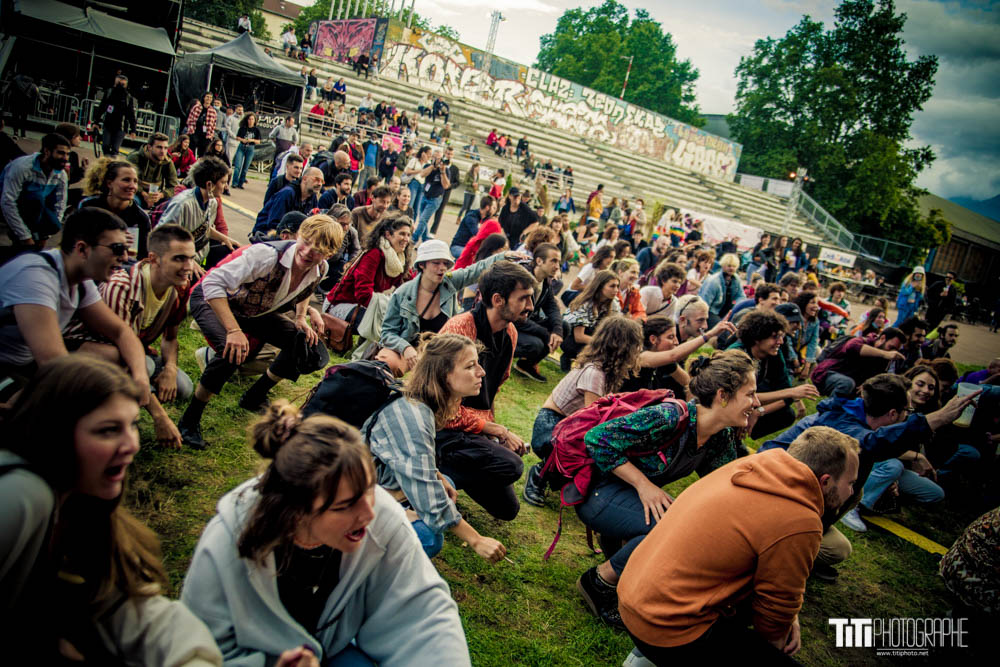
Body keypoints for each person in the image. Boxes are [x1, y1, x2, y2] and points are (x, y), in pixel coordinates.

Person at [181, 399, 471, 666]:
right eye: (344, 506)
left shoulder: (381, 516)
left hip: (335, 650)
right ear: (296, 509)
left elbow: (427, 613)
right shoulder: (228, 540)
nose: (369, 514)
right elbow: (198, 648)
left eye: (369, 491)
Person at [0, 356, 223, 665]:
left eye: (132, 425)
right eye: (107, 430)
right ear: (55, 432)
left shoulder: (84, 509)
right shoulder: (23, 495)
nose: (131, 444)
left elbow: (129, 605)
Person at [618, 426, 859, 663]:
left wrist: (790, 615)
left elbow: (779, 592)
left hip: (633, 597)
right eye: (850, 483)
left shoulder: (749, 467)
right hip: (667, 629)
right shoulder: (801, 520)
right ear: (825, 481)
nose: (851, 492)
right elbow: (776, 611)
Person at [574, 350, 757, 629]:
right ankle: (598, 582)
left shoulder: (719, 436)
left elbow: (727, 485)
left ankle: (624, 557)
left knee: (688, 525)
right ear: (722, 395)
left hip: (627, 499)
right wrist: (644, 485)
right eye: (750, 394)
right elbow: (597, 440)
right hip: (596, 493)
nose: (756, 403)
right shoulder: (670, 416)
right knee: (669, 529)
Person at [761, 374, 977, 577]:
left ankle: (795, 550)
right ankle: (779, 553)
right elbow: (873, 444)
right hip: (772, 499)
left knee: (840, 546)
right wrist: (936, 419)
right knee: (840, 530)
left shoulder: (851, 413)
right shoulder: (843, 428)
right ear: (893, 414)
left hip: (788, 498)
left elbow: (877, 446)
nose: (907, 416)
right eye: (907, 412)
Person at [176, 215, 343, 449]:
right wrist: (233, 330)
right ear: (298, 236)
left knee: (304, 345)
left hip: (253, 310)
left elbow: (306, 289)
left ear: (329, 254)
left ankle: (253, 397)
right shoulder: (266, 255)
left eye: (318, 250)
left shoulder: (320, 267)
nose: (307, 252)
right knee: (232, 349)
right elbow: (211, 284)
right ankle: (190, 420)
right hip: (212, 299)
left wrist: (300, 318)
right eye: (305, 241)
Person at [365, 333, 509, 561]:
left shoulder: (422, 405)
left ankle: (399, 517)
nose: (481, 372)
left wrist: (436, 475)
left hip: (382, 485)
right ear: (444, 375)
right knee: (428, 537)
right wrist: (476, 539)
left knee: (446, 485)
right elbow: (428, 496)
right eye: (470, 366)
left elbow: (417, 463)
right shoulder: (413, 415)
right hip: (359, 495)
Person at [65, 224, 196, 449]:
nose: (189, 267)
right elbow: (121, 355)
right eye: (179, 259)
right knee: (138, 368)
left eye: (191, 258)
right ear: (154, 259)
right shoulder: (121, 287)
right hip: (88, 353)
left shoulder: (178, 288)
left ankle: (136, 391)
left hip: (133, 353)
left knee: (183, 387)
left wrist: (170, 369)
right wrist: (160, 416)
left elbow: (171, 338)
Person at [0, 207, 150, 402]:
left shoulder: (80, 280)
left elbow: (122, 332)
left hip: (28, 360)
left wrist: (141, 378)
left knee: (115, 357)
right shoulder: (36, 277)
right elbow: (53, 362)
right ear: (82, 249)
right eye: (117, 249)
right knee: (36, 408)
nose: (124, 258)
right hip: (6, 364)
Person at [435, 261, 536, 520]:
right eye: (524, 298)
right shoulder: (460, 329)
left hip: (470, 431)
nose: (531, 306)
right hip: (441, 429)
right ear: (498, 299)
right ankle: (433, 479)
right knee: (512, 466)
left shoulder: (510, 332)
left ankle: (451, 475)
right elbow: (436, 404)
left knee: (508, 510)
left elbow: (491, 393)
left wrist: (493, 438)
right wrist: (496, 431)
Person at [522, 315, 643, 506]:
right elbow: (592, 420)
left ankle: (561, 477)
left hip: (566, 425)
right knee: (590, 450)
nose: (638, 351)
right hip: (550, 427)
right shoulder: (595, 373)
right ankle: (539, 475)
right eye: (635, 345)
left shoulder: (606, 371)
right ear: (621, 346)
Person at [380, 240, 521, 371]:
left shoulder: (450, 282)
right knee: (388, 361)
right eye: (436, 263)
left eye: (445, 263)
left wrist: (505, 256)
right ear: (422, 265)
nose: (442, 268)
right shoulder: (402, 294)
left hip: (440, 352)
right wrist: (405, 348)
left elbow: (476, 270)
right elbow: (387, 333)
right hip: (410, 351)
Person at [727, 310, 819, 439]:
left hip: (747, 400)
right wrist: (791, 392)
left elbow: (785, 391)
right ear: (757, 337)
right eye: (775, 337)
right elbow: (736, 396)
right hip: (725, 404)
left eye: (781, 336)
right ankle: (730, 435)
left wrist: (758, 412)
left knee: (786, 414)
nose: (780, 341)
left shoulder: (772, 353)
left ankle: (741, 436)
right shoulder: (736, 354)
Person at [324, 212, 413, 327]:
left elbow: (408, 284)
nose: (406, 239)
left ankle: (372, 344)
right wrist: (390, 307)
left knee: (401, 322)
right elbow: (363, 294)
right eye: (402, 234)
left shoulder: (399, 259)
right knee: (387, 324)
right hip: (340, 304)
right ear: (388, 235)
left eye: (408, 235)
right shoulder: (374, 254)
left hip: (362, 306)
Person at [159, 157, 238, 277]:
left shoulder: (212, 202)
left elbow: (203, 228)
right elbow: (163, 237)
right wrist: (188, 261)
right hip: (178, 262)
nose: (226, 187)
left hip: (197, 257)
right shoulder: (182, 204)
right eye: (223, 182)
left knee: (232, 251)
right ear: (209, 185)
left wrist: (224, 238)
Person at [0, 132, 69, 249]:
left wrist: (45, 235)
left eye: (68, 154)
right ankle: (19, 239)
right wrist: (25, 237)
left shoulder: (60, 174)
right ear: (47, 151)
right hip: (11, 206)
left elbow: (60, 203)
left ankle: (34, 238)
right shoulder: (22, 167)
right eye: (61, 153)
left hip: (37, 209)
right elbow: (8, 202)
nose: (65, 158)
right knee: (36, 199)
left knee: (55, 225)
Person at [79, 158, 151, 260]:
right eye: (126, 180)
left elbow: (142, 257)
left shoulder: (140, 217)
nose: (132, 186)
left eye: (135, 181)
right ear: (109, 183)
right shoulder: (89, 207)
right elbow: (75, 241)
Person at [513, 242, 563, 382]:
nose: (557, 266)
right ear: (539, 261)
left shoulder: (545, 281)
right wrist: (546, 334)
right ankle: (495, 352)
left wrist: (557, 331)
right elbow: (516, 317)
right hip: (509, 324)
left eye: (559, 261)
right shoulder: (522, 278)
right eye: (553, 261)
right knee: (536, 344)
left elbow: (552, 307)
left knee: (563, 326)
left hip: (526, 323)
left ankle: (526, 365)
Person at [811, 326, 906, 397]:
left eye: (896, 349)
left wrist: (868, 385)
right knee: (847, 384)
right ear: (882, 338)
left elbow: (876, 377)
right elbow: (852, 347)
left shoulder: (885, 359)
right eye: (891, 347)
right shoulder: (863, 341)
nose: (892, 352)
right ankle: (828, 411)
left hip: (851, 386)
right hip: (826, 375)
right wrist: (884, 354)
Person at [561, 269, 622, 371]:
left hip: (592, 337)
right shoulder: (585, 303)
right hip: (570, 339)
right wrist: (604, 344)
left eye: (617, 286)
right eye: (612, 286)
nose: (616, 290)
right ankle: (569, 356)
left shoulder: (614, 304)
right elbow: (579, 337)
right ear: (600, 286)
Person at [252, 167, 325, 237]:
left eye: (322, 181)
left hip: (290, 234)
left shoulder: (313, 197)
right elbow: (273, 222)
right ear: (304, 178)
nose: (319, 184)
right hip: (266, 232)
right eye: (316, 180)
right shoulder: (287, 193)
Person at [126, 132, 179, 210]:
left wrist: (161, 195)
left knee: (175, 204)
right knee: (132, 203)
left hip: (156, 197)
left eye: (165, 148)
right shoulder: (135, 158)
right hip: (137, 193)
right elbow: (126, 180)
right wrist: (143, 194)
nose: (163, 151)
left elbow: (173, 187)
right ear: (149, 147)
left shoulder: (168, 162)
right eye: (159, 147)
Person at [412, 149, 451, 244]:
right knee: (423, 219)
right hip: (425, 195)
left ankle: (414, 239)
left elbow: (446, 185)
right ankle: (425, 239)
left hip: (435, 199)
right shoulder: (428, 166)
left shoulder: (446, 170)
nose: (437, 160)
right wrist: (432, 166)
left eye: (439, 158)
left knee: (423, 219)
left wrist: (442, 172)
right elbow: (422, 174)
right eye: (435, 157)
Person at [94, 72, 136, 156]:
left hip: (121, 127)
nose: (120, 86)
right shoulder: (109, 93)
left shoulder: (128, 97)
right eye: (118, 83)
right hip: (108, 125)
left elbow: (131, 114)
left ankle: (112, 165)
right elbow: (102, 107)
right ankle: (107, 162)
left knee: (115, 149)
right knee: (105, 145)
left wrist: (133, 130)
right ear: (115, 83)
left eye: (123, 84)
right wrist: (96, 122)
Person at [453, 195, 501, 268]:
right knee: (473, 258)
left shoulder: (485, 219)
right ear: (487, 207)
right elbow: (478, 234)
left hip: (469, 248)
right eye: (494, 208)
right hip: (458, 246)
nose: (495, 211)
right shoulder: (471, 217)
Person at [699, 253, 743, 327]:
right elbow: (704, 302)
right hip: (712, 311)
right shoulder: (713, 281)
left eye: (734, 266)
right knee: (722, 330)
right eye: (729, 266)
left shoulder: (736, 279)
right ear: (723, 265)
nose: (731, 268)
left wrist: (738, 307)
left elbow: (741, 296)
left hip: (727, 310)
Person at [430, 146, 460, 236]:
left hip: (446, 192)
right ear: (444, 153)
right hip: (435, 190)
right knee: (429, 209)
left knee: (439, 211)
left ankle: (433, 232)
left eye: (451, 154)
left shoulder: (455, 168)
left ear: (453, 155)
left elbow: (457, 182)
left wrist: (449, 186)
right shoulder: (439, 163)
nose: (449, 155)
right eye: (447, 153)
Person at [184, 91, 217, 156]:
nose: (209, 99)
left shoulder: (213, 111)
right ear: (204, 98)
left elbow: (214, 124)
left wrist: (211, 135)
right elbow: (190, 119)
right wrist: (191, 131)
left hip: (206, 135)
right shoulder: (196, 107)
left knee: (202, 154)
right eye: (207, 97)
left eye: (210, 97)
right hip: (195, 132)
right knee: (191, 152)